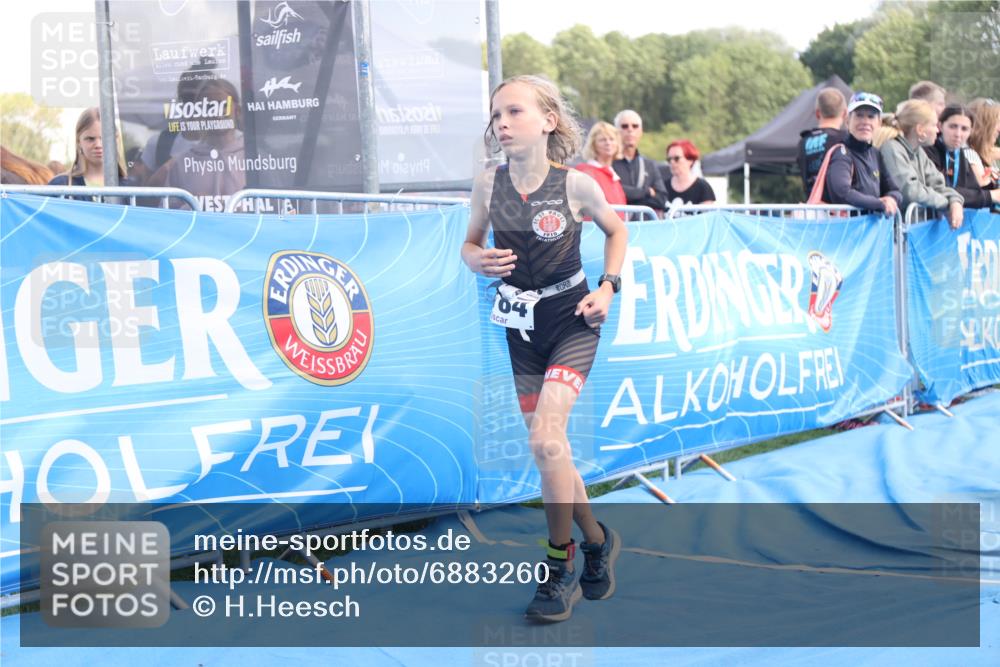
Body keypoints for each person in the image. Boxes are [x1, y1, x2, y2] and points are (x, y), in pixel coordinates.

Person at [463, 75, 627, 623]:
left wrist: (608, 287)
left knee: (544, 438)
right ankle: (599, 540)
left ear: (547, 121)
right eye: (496, 115)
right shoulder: (488, 182)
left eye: (513, 112)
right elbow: (470, 241)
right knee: (551, 450)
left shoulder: (576, 185)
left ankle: (559, 565)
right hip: (520, 327)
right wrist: (475, 259)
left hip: (572, 319)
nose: (501, 123)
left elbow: (616, 230)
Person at [877, 100, 963, 228]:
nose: (937, 130)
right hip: (895, 232)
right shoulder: (891, 149)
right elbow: (910, 191)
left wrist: (955, 201)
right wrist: (946, 203)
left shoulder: (918, 152)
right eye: (934, 125)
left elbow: (938, 184)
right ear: (920, 129)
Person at [822, 92, 901, 215]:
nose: (865, 122)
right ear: (847, 120)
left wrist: (891, 199)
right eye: (859, 115)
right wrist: (879, 204)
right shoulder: (842, 153)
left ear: (879, 123)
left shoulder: (876, 153)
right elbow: (842, 193)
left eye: (871, 116)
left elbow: (895, 190)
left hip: (871, 232)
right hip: (844, 231)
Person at [924, 104, 1000, 209]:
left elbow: (973, 190)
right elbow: (941, 189)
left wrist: (991, 186)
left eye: (964, 129)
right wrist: (991, 195)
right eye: (953, 127)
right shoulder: (928, 151)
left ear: (971, 131)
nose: (958, 134)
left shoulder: (960, 155)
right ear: (940, 126)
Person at [48, 107, 127, 188]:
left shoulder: (131, 188)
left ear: (116, 140)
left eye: (104, 138)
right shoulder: (60, 185)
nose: (98, 145)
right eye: (90, 139)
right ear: (79, 142)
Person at [611, 109, 666, 213]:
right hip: (616, 226)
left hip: (644, 226)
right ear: (616, 131)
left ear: (641, 132)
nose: (630, 130)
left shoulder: (649, 165)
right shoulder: (608, 163)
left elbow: (661, 199)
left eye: (635, 126)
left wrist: (630, 197)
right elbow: (610, 192)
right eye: (624, 126)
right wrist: (647, 192)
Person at [797, 87, 848, 196]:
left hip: (812, 209)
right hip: (841, 208)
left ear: (817, 113)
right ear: (844, 114)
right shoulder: (846, 139)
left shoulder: (803, 142)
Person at [574, 122, 627, 219]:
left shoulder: (613, 175)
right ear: (593, 145)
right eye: (603, 140)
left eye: (612, 139)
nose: (608, 143)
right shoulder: (585, 171)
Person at [660, 139, 716, 206]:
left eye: (676, 158)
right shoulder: (663, 187)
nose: (672, 162)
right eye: (669, 159)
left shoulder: (703, 187)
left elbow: (709, 214)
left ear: (690, 160)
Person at [967, 98, 1000, 188]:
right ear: (984, 125)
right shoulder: (969, 155)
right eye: (996, 123)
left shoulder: (983, 151)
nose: (999, 129)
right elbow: (985, 189)